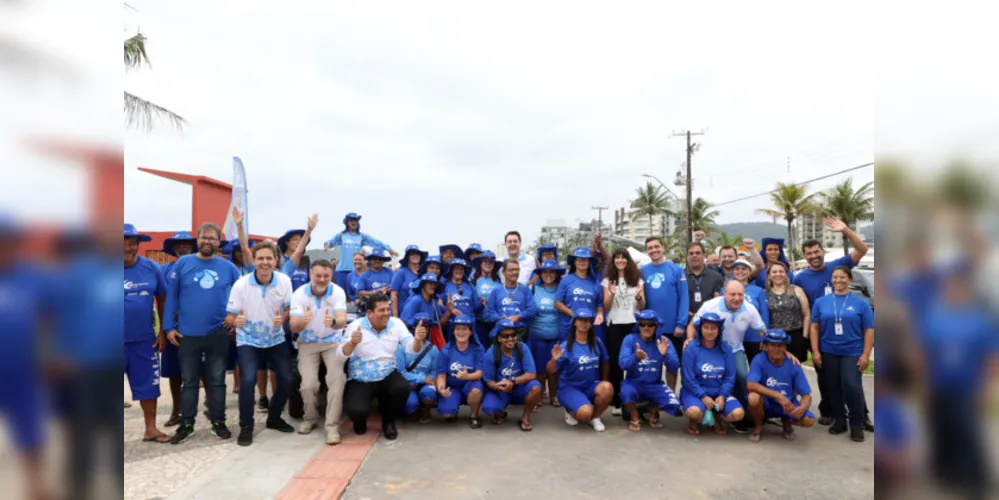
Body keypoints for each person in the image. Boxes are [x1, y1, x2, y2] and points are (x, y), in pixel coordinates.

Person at [916, 266, 998, 496]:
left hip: (967, 388)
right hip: (939, 385)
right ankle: (948, 473)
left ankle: (977, 480)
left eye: (960, 288)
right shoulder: (934, 318)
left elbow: (992, 357)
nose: (955, 291)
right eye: (951, 287)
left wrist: (986, 388)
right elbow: (924, 354)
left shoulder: (979, 320)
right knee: (943, 431)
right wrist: (924, 385)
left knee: (967, 433)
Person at [164, 222, 242, 444]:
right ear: (197, 240)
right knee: (188, 382)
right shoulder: (183, 264)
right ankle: (186, 424)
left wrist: (235, 318)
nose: (207, 241)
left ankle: (218, 421)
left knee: (217, 381)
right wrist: (169, 327)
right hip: (187, 335)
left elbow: (242, 294)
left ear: (219, 242)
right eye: (203, 237)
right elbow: (171, 298)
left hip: (218, 333)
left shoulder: (228, 268)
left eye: (212, 238)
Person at [793, 217, 871, 429]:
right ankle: (829, 411)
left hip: (847, 334)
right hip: (820, 333)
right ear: (804, 256)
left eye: (816, 251)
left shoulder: (839, 266)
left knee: (851, 379)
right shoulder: (799, 278)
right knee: (825, 376)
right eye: (809, 253)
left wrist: (845, 229)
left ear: (823, 252)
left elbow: (862, 249)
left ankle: (861, 415)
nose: (814, 256)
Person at [224, 241, 295, 446]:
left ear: (276, 260)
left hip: (275, 338)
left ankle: (273, 418)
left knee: (287, 379)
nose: (265, 262)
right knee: (247, 381)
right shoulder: (241, 284)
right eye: (260, 258)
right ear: (254, 261)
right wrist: (234, 321)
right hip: (248, 339)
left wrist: (284, 318)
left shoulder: (284, 281)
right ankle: (247, 425)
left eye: (269, 258)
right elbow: (229, 317)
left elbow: (290, 309)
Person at [686, 281, 771, 433]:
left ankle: (742, 414)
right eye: (732, 294)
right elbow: (693, 324)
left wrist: (779, 348)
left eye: (740, 295)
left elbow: (763, 331)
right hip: (710, 347)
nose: (737, 298)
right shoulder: (710, 306)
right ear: (724, 293)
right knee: (704, 374)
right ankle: (701, 407)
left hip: (734, 348)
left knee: (742, 376)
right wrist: (690, 340)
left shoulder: (750, 309)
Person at [336, 293, 413, 440]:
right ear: (370, 313)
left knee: (402, 387)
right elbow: (340, 356)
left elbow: (411, 347)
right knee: (356, 410)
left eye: (387, 309)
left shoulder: (396, 324)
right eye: (381, 310)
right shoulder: (355, 326)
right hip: (361, 378)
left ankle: (388, 421)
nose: (386, 314)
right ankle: (360, 420)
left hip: (387, 373)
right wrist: (352, 343)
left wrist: (418, 341)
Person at [811, 266, 874, 442]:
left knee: (852, 386)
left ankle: (857, 423)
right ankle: (840, 420)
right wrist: (815, 351)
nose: (838, 281)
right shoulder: (821, 302)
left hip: (852, 351)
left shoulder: (861, 303)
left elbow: (869, 330)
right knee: (833, 387)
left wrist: (866, 354)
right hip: (828, 350)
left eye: (842, 277)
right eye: (835, 277)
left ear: (850, 279)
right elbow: (814, 327)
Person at [289, 259, 348, 445]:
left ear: (331, 276)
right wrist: (302, 322)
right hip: (308, 343)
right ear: (310, 275)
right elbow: (293, 325)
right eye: (318, 276)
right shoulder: (299, 294)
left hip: (332, 343)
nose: (322, 279)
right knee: (308, 385)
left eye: (326, 276)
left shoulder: (337, 291)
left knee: (337, 381)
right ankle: (310, 419)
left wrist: (333, 322)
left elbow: (342, 319)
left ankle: (332, 426)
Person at [123, 224, 171, 443]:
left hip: (143, 340)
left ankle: (150, 429)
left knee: (149, 387)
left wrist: (162, 331)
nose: (127, 248)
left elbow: (162, 298)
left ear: (138, 245)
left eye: (132, 243)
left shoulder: (151, 267)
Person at [680, 312, 746, 436]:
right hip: (695, 391)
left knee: (738, 414)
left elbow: (730, 377)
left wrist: (722, 395)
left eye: (713, 328)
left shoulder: (726, 349)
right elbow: (688, 378)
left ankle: (716, 417)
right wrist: (703, 396)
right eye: (706, 328)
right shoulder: (691, 348)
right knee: (694, 411)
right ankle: (695, 420)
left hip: (718, 391)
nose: (709, 331)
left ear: (719, 330)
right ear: (700, 329)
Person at [548, 309, 613, 432]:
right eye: (581, 320)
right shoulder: (566, 346)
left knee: (607, 388)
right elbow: (551, 370)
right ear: (574, 322)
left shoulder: (597, 342)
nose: (585, 323)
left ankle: (596, 417)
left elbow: (605, 361)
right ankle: (569, 409)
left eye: (588, 321)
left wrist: (603, 382)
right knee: (584, 414)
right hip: (570, 388)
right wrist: (554, 360)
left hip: (590, 386)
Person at [746, 329, 816, 443]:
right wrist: (778, 396)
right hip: (767, 403)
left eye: (780, 345)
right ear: (766, 346)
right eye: (772, 345)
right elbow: (750, 384)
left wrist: (802, 408)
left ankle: (787, 422)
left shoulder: (794, 364)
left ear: (785, 347)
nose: (776, 349)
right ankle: (758, 426)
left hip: (787, 404)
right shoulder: (759, 360)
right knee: (753, 398)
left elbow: (806, 395)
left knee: (809, 420)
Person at [618, 310, 681, 432]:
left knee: (674, 404)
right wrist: (635, 357)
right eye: (642, 324)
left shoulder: (664, 342)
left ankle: (653, 411)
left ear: (656, 326)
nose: (646, 327)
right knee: (625, 391)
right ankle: (635, 416)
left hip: (655, 384)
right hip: (634, 383)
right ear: (638, 325)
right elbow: (622, 365)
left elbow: (674, 367)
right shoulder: (629, 339)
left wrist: (665, 354)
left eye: (650, 325)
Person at [159, 231, 197, 427]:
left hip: (197, 329)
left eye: (186, 243)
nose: (183, 247)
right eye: (179, 244)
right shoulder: (164, 269)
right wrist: (164, 330)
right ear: (173, 248)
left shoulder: (201, 267)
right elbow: (160, 300)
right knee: (174, 372)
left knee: (203, 371)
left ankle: (209, 407)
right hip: (173, 329)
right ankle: (177, 409)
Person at [601, 248, 645, 415]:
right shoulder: (608, 280)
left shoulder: (637, 279)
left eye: (623, 258)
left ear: (628, 260)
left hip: (633, 324)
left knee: (635, 361)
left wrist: (639, 296)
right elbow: (605, 306)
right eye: (617, 258)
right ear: (613, 261)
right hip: (614, 324)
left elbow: (642, 305)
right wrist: (611, 295)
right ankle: (618, 401)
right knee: (616, 363)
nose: (620, 261)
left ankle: (635, 399)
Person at [642, 236, 689, 390]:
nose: (654, 250)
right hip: (651, 328)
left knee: (672, 364)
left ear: (662, 248)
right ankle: (654, 400)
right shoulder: (643, 271)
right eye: (650, 248)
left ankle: (670, 395)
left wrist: (681, 323)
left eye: (656, 246)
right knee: (652, 365)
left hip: (672, 327)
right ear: (647, 251)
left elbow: (684, 297)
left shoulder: (676, 269)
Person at [482, 319, 543, 431]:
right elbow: (488, 380)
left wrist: (512, 381)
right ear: (499, 338)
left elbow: (531, 374)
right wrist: (497, 386)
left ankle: (526, 416)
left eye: (513, 335)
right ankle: (499, 411)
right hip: (500, 390)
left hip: (519, 387)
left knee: (535, 387)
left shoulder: (522, 348)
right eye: (505, 336)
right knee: (490, 408)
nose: (510, 339)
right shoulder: (491, 353)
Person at [323, 212, 396, 292]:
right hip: (342, 270)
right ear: (347, 222)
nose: (354, 222)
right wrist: (327, 244)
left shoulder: (361, 236)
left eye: (355, 220)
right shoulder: (341, 235)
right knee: (342, 294)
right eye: (351, 220)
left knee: (356, 294)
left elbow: (375, 242)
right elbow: (331, 242)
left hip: (356, 270)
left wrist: (389, 249)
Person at [435, 316, 486, 428]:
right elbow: (441, 374)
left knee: (476, 390)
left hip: (471, 384)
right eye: (457, 329)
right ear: (453, 331)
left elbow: (480, 373)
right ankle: (453, 408)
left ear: (471, 332)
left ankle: (474, 416)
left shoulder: (478, 349)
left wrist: (467, 376)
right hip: (452, 386)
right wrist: (441, 388)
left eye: (464, 329)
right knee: (447, 414)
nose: (461, 332)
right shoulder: (446, 350)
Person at [529, 259, 564, 409]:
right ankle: (539, 395)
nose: (548, 275)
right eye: (545, 272)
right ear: (540, 274)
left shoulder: (561, 289)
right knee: (540, 369)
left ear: (556, 274)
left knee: (555, 368)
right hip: (537, 333)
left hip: (557, 333)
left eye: (551, 272)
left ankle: (554, 395)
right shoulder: (533, 289)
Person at [555, 247, 605, 343]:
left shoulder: (595, 283)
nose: (582, 262)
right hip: (569, 327)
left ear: (589, 262)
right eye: (579, 259)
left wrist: (599, 314)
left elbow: (599, 303)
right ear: (574, 262)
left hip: (589, 328)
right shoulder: (566, 280)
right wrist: (574, 315)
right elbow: (557, 303)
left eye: (585, 259)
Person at [396, 313, 439, 424]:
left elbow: (434, 371)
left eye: (426, 327)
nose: (422, 329)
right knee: (411, 405)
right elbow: (400, 372)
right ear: (413, 327)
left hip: (426, 383)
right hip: (409, 383)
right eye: (419, 326)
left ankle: (426, 409)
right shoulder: (402, 348)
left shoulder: (433, 349)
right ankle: (413, 409)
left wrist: (429, 379)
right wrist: (422, 379)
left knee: (429, 393)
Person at [765, 261, 811, 364]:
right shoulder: (764, 294)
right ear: (769, 275)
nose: (778, 274)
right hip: (774, 338)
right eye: (774, 272)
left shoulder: (797, 290)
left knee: (796, 369)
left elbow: (807, 315)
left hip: (795, 336)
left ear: (786, 274)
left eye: (781, 271)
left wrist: (804, 337)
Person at [731, 258, 770, 364]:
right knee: (737, 372)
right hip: (733, 337)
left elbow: (764, 315)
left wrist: (765, 337)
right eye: (737, 269)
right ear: (733, 272)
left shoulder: (758, 291)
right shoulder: (725, 290)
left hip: (754, 336)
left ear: (749, 272)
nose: (740, 271)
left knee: (756, 367)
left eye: (744, 269)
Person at [485, 259, 537, 336]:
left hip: (521, 331)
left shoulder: (525, 290)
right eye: (511, 270)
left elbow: (532, 310)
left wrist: (519, 317)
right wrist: (499, 318)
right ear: (503, 272)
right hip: (502, 331)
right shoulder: (496, 291)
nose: (514, 273)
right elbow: (490, 311)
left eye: (517, 270)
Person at [438, 258, 479, 342]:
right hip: (452, 325)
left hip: (469, 325)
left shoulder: (469, 285)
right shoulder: (445, 285)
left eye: (461, 269)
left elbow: (476, 306)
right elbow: (439, 304)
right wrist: (450, 309)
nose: (459, 271)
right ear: (451, 270)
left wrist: (482, 302)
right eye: (456, 268)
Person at [472, 251, 502, 347]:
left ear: (494, 265)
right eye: (485, 261)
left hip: (495, 322)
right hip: (479, 322)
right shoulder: (473, 279)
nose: (488, 264)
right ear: (480, 263)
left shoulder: (498, 279)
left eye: (490, 262)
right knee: (482, 349)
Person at [391, 245, 427, 317]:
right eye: (412, 254)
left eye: (417, 253)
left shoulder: (425, 272)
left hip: (421, 313)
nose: (415, 256)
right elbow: (394, 294)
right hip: (403, 314)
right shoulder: (401, 272)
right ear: (407, 257)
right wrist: (395, 316)